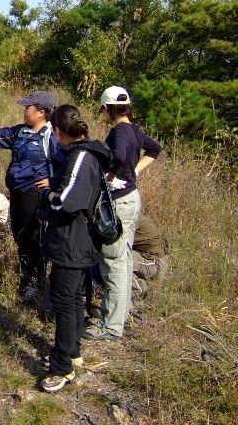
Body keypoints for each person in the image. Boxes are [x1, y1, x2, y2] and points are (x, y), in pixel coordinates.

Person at [38, 104, 110, 393]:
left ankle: (61, 367)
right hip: (79, 240)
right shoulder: (88, 153)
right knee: (75, 298)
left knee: (64, 301)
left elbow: (67, 202)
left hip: (73, 241)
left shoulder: (80, 157)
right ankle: (73, 351)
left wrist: (47, 195)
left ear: (58, 131)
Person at [83, 86, 162, 341]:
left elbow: (116, 158)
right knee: (124, 260)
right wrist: (135, 170)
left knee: (113, 262)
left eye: (103, 110)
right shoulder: (134, 130)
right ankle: (120, 316)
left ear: (107, 109)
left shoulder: (118, 132)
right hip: (132, 198)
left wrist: (111, 176)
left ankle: (110, 326)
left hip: (119, 202)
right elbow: (155, 149)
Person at [0, 91, 61, 305]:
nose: (24, 110)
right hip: (16, 194)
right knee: (20, 236)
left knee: (34, 238)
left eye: (28, 107)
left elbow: (65, 164)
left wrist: (51, 181)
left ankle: (36, 282)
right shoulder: (19, 131)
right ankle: (26, 278)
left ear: (41, 112)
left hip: (36, 196)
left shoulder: (52, 136)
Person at [131, 212, 169, 299]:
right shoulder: (131, 212)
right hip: (145, 258)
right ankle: (137, 281)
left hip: (155, 263)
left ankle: (137, 289)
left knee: (119, 256)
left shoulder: (130, 217)